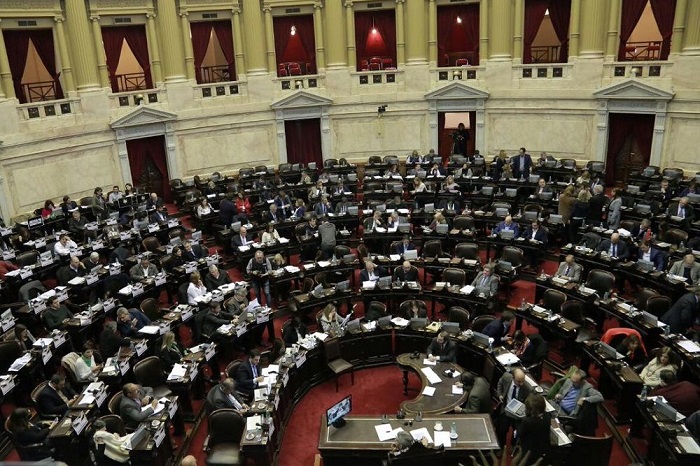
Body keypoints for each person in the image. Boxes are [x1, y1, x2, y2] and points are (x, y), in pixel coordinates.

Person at [495, 368, 531, 447]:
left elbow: (530, 402)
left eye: (523, 381)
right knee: (501, 430)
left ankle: (513, 445)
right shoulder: (506, 377)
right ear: (513, 378)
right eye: (518, 381)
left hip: (518, 414)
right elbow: (500, 383)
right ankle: (501, 447)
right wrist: (500, 394)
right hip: (506, 410)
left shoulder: (527, 388)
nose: (521, 383)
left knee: (517, 433)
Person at [518, 394, 551, 461]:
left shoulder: (527, 421)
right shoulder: (547, 415)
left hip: (529, 452)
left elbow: (520, 434)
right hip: (543, 449)